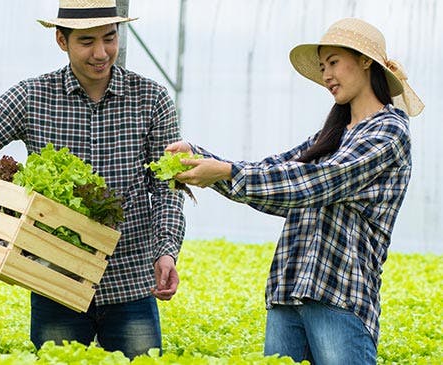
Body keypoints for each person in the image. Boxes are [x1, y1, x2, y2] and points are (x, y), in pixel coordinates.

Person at [0, 0, 185, 359]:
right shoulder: (33, 97)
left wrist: (166, 251)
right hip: (55, 278)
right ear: (61, 40)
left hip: (131, 281)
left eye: (110, 38)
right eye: (86, 41)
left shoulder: (151, 99)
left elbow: (167, 187)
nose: (101, 53)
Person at [166, 18, 424, 364]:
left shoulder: (389, 132)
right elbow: (277, 172)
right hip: (288, 293)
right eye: (322, 67)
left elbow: (317, 184)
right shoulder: (332, 134)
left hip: (340, 297)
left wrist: (225, 172)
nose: (326, 75)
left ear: (365, 61)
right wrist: (200, 158)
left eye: (333, 62)